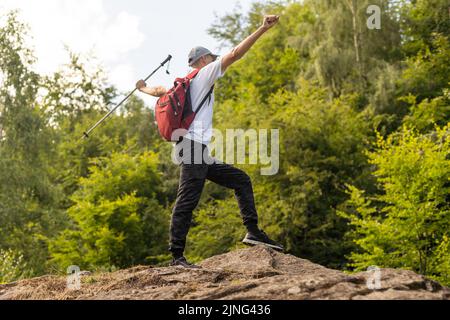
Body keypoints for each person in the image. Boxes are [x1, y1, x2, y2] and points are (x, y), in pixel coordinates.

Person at [136, 15, 283, 268]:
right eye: (212, 58)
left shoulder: (185, 83)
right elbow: (235, 54)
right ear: (202, 61)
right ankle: (176, 257)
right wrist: (262, 29)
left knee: (240, 180)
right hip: (192, 147)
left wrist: (142, 88)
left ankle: (253, 233)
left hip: (196, 150)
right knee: (187, 200)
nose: (216, 61)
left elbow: (160, 91)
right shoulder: (204, 74)